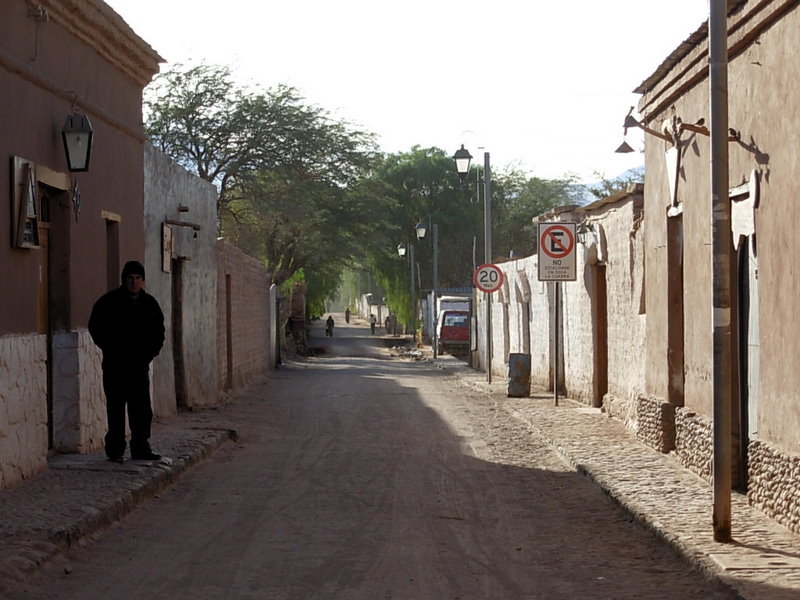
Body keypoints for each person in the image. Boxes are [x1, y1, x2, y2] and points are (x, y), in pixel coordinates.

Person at [88, 261, 165, 463]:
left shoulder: (150, 305)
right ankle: (115, 449)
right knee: (115, 408)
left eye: (137, 278)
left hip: (139, 366)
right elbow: (96, 328)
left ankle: (141, 447)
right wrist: (112, 349)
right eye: (130, 278)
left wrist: (148, 354)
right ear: (124, 279)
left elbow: (159, 333)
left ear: (143, 281)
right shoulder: (108, 303)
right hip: (115, 366)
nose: (133, 282)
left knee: (141, 409)